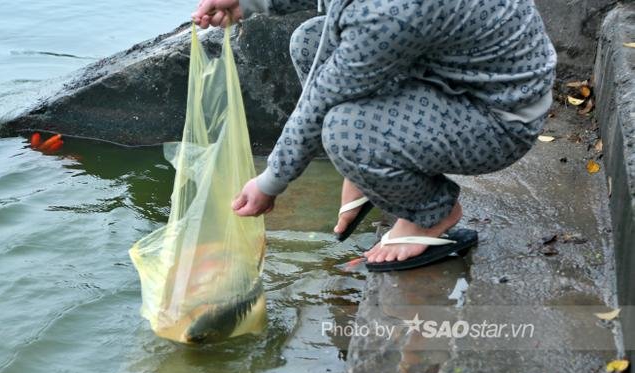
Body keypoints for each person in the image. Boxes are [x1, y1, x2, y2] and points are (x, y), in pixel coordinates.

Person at [192, 0, 556, 271]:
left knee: (343, 130)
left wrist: (270, 182)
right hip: (448, 75)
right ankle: (366, 172)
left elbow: (323, 99)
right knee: (310, 40)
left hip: (498, 117)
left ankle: (430, 213)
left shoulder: (391, 11)